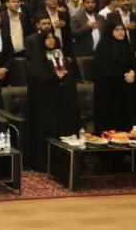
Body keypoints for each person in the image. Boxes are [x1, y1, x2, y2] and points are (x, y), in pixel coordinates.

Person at [25, 29, 79, 170]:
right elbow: (36, 79)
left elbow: (72, 76)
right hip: (44, 104)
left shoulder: (61, 55)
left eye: (53, 37)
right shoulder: (37, 58)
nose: (51, 40)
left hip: (62, 102)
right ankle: (44, 163)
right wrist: (54, 78)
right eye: (47, 38)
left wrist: (64, 79)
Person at [93, 22, 136, 133]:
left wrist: (133, 73)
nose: (120, 32)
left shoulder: (127, 47)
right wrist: (122, 75)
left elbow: (134, 65)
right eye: (117, 30)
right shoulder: (103, 48)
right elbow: (102, 70)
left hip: (126, 88)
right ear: (110, 32)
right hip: (109, 91)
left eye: (122, 29)